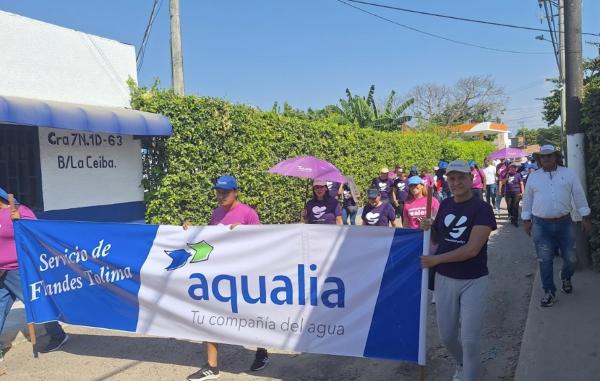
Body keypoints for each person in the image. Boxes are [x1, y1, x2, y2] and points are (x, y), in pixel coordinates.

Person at [420, 160, 496, 381]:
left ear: (471, 179)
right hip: (444, 279)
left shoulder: (482, 209)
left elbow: (472, 249)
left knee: (470, 339)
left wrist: (436, 260)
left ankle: (470, 374)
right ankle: (463, 364)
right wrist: (429, 227)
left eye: (461, 177)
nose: (456, 182)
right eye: (451, 178)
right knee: (447, 336)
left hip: (473, 279)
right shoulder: (444, 205)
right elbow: (438, 238)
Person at [185, 176, 266, 380]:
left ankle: (262, 351)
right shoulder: (216, 213)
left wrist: (245, 232)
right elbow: (210, 241)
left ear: (235, 192)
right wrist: (189, 231)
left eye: (226, 192)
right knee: (210, 313)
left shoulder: (249, 213)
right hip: (220, 274)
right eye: (218, 192)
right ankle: (212, 367)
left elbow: (265, 243)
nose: (221, 196)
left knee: (253, 315)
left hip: (245, 274)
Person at [0, 188, 69, 358]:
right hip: (2, 271)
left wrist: (21, 222)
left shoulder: (20, 211)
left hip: (19, 270)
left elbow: (36, 234)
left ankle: (58, 335)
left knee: (36, 303)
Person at [521, 145, 592, 307]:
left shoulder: (568, 174)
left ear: (556, 157)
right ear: (539, 159)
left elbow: (579, 195)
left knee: (571, 259)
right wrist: (526, 220)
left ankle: (566, 276)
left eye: (550, 155)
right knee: (545, 260)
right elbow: (528, 200)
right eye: (543, 156)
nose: (546, 158)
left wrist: (585, 217)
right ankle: (549, 292)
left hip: (565, 223)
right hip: (541, 224)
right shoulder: (534, 177)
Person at [501, 162, 524, 227]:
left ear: (516, 168)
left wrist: (522, 192)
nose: (513, 168)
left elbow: (521, 183)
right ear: (509, 168)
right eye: (512, 167)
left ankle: (515, 221)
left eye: (514, 167)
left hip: (516, 192)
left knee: (515, 206)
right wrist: (506, 178)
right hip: (508, 192)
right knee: (509, 206)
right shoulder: (506, 174)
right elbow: (502, 182)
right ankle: (512, 217)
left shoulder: (518, 175)